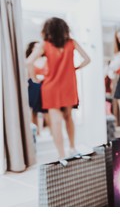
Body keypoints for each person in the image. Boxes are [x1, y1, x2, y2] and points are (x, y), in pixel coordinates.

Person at [26, 17, 90, 159]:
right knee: (69, 118)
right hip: (68, 86)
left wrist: (34, 79)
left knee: (56, 122)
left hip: (50, 88)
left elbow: (28, 62)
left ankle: (61, 155)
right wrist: (74, 68)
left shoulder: (45, 44)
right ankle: (72, 148)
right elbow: (87, 59)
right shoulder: (71, 43)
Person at [25, 41, 49, 136]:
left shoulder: (45, 60)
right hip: (33, 86)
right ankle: (36, 132)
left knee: (46, 110)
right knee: (34, 110)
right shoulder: (29, 60)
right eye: (35, 47)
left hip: (44, 85)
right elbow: (28, 76)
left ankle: (49, 130)